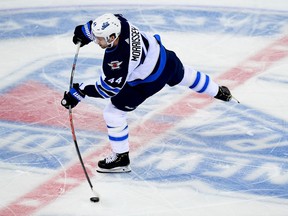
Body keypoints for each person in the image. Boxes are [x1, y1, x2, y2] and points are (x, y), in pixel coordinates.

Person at [61, 13, 233, 173]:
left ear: (112, 37)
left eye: (99, 39)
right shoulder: (120, 23)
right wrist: (85, 32)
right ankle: (220, 92)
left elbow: (108, 89)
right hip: (165, 58)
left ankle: (121, 158)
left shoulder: (117, 60)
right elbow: (103, 23)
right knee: (186, 75)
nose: (97, 41)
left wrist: (80, 91)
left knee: (113, 113)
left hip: (149, 81)